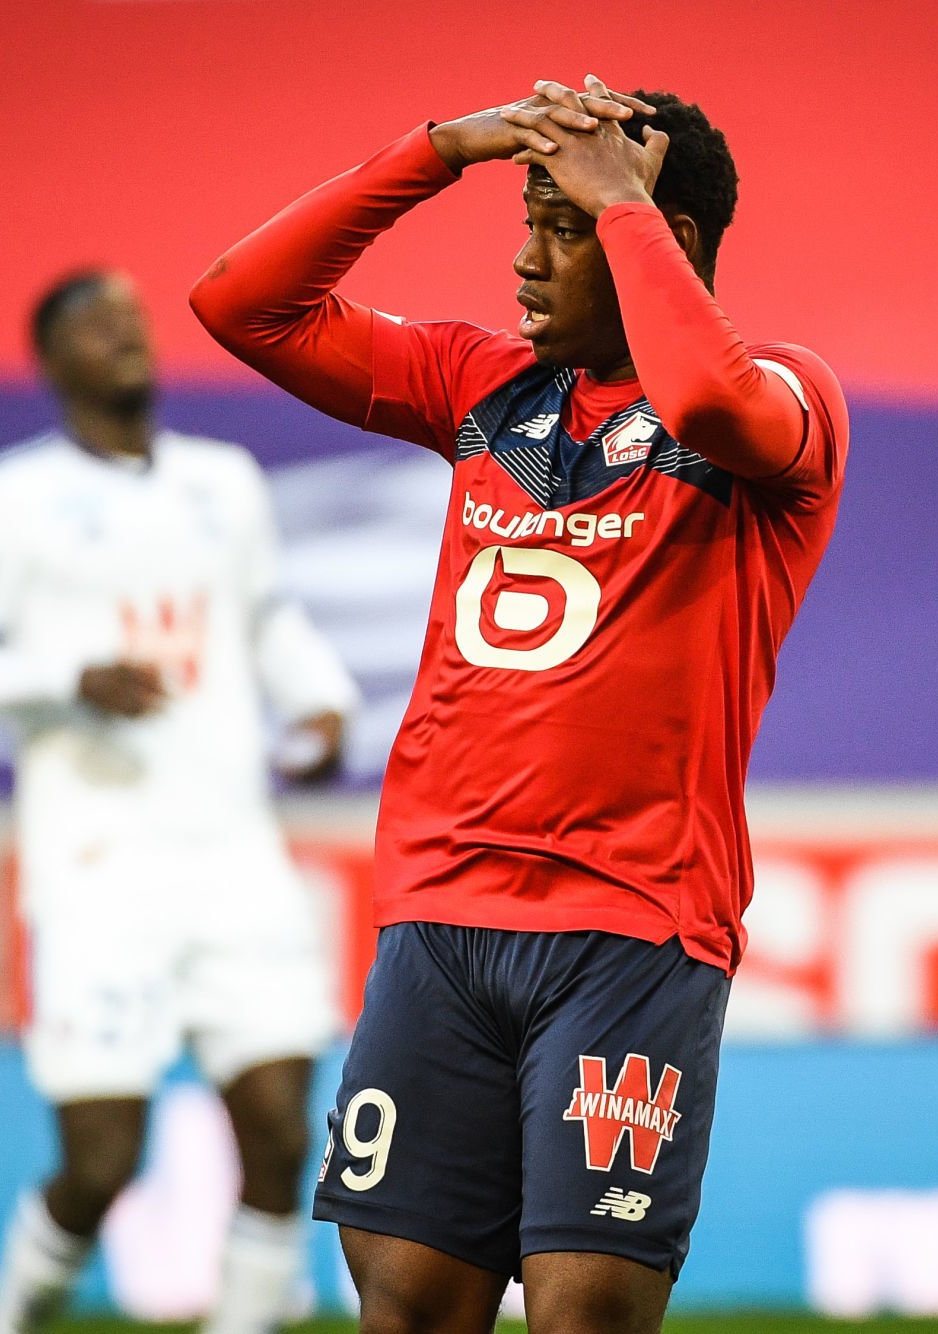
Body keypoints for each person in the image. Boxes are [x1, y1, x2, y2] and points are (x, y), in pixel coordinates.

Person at [189, 77, 849, 1334]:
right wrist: (440, 147)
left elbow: (709, 401)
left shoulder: (783, 395)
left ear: (665, 236)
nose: (523, 260)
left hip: (630, 923)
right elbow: (241, 304)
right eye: (527, 220)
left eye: (562, 226)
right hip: (440, 916)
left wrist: (623, 207)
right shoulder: (479, 384)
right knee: (405, 1309)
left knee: (582, 1316)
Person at [0, 269, 361, 1334]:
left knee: (282, 1133)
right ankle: (12, 1320)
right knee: (102, 1159)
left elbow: (264, 617)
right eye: (92, 321)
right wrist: (70, 677)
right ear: (48, 360)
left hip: (233, 854)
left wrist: (322, 704)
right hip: (99, 866)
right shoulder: (7, 496)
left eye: (132, 317)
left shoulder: (224, 481)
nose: (123, 332)